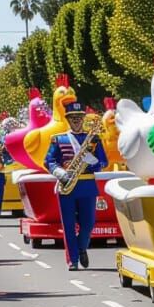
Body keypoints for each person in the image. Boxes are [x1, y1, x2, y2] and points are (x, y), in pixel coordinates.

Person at [45, 103, 107, 271]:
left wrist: (90, 162)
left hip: (86, 184)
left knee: (88, 224)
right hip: (67, 184)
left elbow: (103, 161)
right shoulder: (59, 139)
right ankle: (72, 260)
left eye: (79, 118)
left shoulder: (93, 139)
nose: (77, 121)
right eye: (73, 118)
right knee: (69, 225)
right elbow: (49, 161)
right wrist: (60, 173)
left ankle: (81, 248)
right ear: (68, 120)